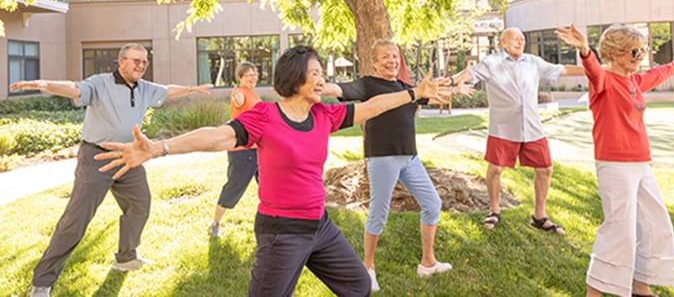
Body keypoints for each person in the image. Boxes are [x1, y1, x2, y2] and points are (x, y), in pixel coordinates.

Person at [95, 45, 446, 296]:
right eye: (316, 74)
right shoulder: (266, 117)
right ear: (295, 79)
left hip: (320, 227)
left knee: (357, 285)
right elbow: (219, 137)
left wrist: (412, 93)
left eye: (323, 74)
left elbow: (370, 107)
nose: (323, 81)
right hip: (281, 233)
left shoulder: (324, 115)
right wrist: (158, 147)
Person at [10, 43, 213, 297]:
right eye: (136, 61)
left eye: (144, 62)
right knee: (76, 220)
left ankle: (126, 257)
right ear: (121, 62)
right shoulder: (100, 83)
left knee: (140, 205)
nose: (141, 65)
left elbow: (166, 90)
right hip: (96, 156)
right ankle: (42, 283)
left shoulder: (144, 88)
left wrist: (191, 89)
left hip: (129, 156)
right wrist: (43, 83)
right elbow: (74, 88)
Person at [556, 23, 674, 297]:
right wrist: (584, 49)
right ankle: (595, 291)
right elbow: (592, 69)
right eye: (634, 52)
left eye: (642, 52)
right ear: (615, 53)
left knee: (655, 222)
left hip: (641, 163)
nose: (640, 58)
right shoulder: (603, 80)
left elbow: (655, 75)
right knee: (619, 229)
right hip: (614, 164)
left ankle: (641, 285)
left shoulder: (634, 81)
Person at [323, 39, 453, 292]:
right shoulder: (369, 84)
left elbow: (430, 96)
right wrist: (318, 85)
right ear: (374, 62)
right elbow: (341, 89)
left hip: (410, 158)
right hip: (382, 157)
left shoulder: (405, 87)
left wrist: (451, 88)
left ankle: (427, 263)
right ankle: (368, 268)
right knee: (379, 213)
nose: (391, 60)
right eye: (385, 57)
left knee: (433, 204)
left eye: (395, 56)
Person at [445, 27, 584, 234]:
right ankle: (494, 210)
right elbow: (469, 73)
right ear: (503, 42)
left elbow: (561, 69)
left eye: (522, 39)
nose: (520, 42)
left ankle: (539, 216)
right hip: (503, 128)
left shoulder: (534, 62)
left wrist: (594, 68)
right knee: (495, 170)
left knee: (545, 169)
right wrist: (450, 82)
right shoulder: (492, 63)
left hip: (532, 128)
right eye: (515, 39)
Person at [208, 61, 261, 238]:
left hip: (258, 149)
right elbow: (239, 101)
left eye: (255, 74)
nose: (253, 77)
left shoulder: (252, 93)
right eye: (248, 75)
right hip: (242, 151)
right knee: (234, 187)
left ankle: (278, 221)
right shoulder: (241, 93)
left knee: (270, 184)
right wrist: (236, 96)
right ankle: (215, 223)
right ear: (240, 78)